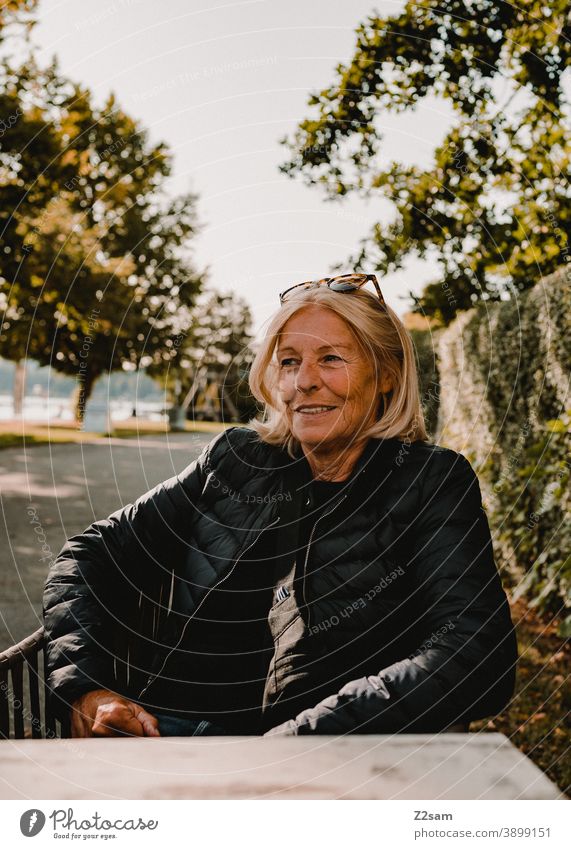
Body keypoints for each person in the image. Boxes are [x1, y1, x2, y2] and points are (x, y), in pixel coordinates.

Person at [43, 273, 517, 738]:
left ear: (387, 375)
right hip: (163, 733)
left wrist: (304, 738)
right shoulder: (233, 459)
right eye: (289, 362)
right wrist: (87, 689)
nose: (304, 381)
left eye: (331, 358)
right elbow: (88, 555)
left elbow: (475, 650)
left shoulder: (430, 481)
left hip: (321, 762)